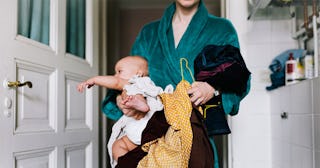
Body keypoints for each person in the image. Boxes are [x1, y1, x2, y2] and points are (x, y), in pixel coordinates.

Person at [102, 0, 251, 167]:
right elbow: (128, 79)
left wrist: (212, 87)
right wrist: (123, 100)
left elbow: (240, 78)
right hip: (149, 136)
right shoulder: (149, 34)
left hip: (194, 136)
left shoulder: (221, 29)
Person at [77, 56, 171, 167]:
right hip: (141, 132)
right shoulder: (146, 87)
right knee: (117, 145)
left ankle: (139, 103)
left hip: (147, 121)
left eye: (119, 71)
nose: (115, 75)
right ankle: (129, 164)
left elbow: (116, 82)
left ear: (139, 73)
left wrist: (94, 80)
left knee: (129, 91)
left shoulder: (137, 82)